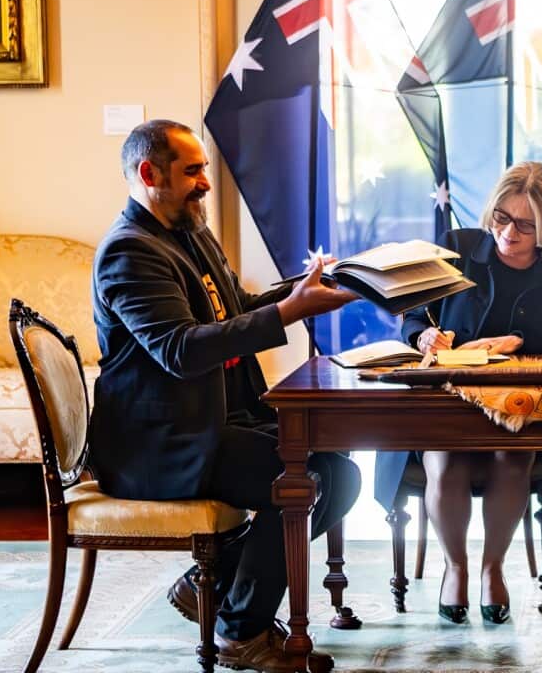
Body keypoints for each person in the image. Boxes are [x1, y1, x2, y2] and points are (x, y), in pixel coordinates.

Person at [90, 120, 361, 673]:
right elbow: (180, 350)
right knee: (306, 481)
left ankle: (211, 587)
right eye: (192, 171)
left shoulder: (189, 231)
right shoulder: (129, 252)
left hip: (213, 423)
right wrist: (291, 313)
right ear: (149, 175)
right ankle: (242, 631)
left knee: (340, 471)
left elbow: (237, 305)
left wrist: (306, 288)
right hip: (162, 444)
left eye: (203, 170)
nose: (206, 183)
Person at [374, 161, 542, 625]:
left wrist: (519, 342)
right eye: (502, 219)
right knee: (445, 459)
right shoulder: (456, 248)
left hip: (518, 405)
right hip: (446, 399)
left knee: (512, 458)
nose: (509, 233)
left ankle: (493, 568)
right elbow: (412, 316)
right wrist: (423, 338)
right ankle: (456, 568)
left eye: (526, 225)